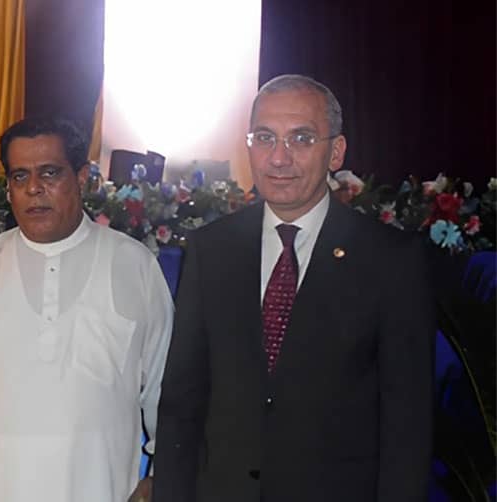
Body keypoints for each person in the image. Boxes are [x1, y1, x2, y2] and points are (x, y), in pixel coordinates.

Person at [153, 74, 434, 501]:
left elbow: (407, 424)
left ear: (336, 152)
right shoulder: (211, 250)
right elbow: (181, 402)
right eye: (265, 137)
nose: (278, 158)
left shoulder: (390, 260)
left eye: (301, 138)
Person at [0, 117, 174, 502]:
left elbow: (165, 389)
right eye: (20, 177)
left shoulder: (134, 264)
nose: (34, 189)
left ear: (84, 178)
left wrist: (159, 475)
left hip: (98, 488)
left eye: (50, 173)